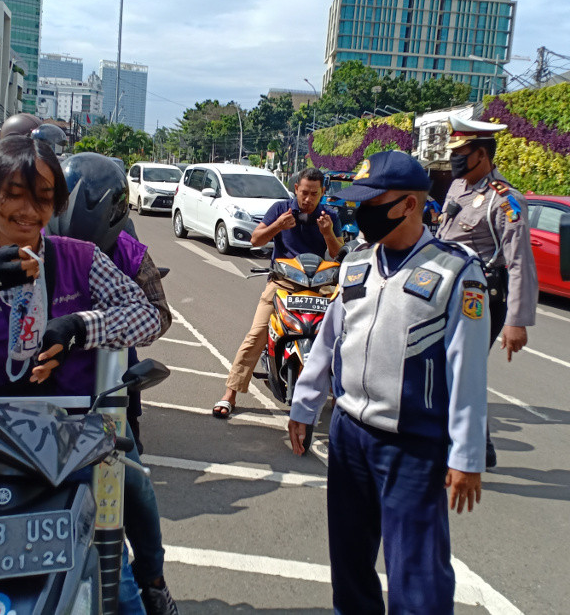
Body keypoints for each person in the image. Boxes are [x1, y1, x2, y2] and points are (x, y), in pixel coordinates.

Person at [0, 136, 177, 615]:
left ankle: (154, 581)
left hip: (71, 436)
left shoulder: (80, 258)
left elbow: (150, 315)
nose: (27, 210)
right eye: (13, 193)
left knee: (119, 574)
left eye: (41, 197)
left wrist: (82, 326)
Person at [288, 150, 489, 614]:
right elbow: (329, 339)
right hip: (349, 435)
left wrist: (466, 455)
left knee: (416, 575)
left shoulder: (456, 272)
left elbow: (468, 370)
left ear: (409, 205)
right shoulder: (357, 262)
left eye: (372, 201)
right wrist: (304, 404)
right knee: (350, 566)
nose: (361, 212)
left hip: (412, 445)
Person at [45, 151, 172, 453]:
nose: (78, 259)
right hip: (39, 378)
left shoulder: (132, 254)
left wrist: (84, 327)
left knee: (133, 480)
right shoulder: (31, 240)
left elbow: (158, 314)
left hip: (108, 378)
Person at [436, 115, 538, 468]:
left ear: (482, 154)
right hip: (445, 291)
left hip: (480, 298)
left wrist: (517, 321)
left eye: (461, 152)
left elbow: (520, 260)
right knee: (444, 368)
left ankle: (475, 449)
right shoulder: (457, 187)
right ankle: (475, 444)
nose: (454, 159)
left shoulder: (506, 200)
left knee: (463, 371)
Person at [213, 167, 343, 417]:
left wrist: (327, 233)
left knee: (337, 337)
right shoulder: (279, 209)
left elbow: (338, 254)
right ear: (296, 189)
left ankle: (339, 398)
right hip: (282, 284)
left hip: (318, 287)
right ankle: (230, 393)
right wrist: (277, 226)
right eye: (304, 193)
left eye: (314, 194)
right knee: (257, 333)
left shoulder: (330, 216)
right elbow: (255, 240)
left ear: (322, 193)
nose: (308, 199)